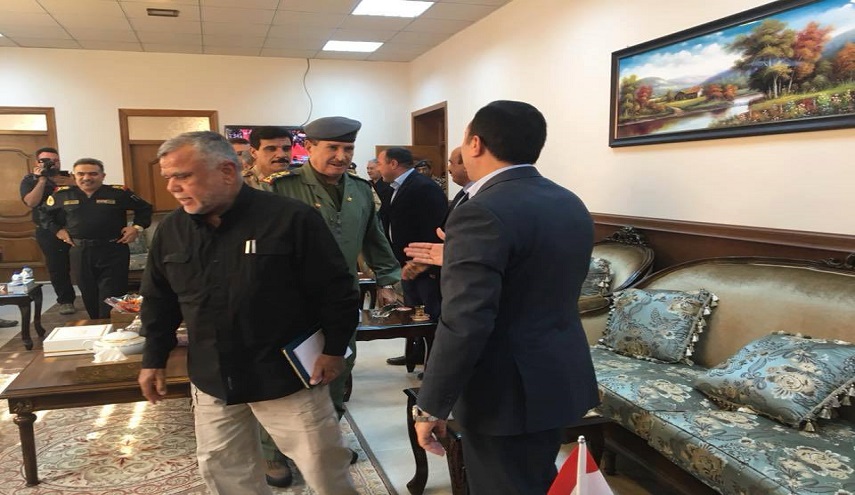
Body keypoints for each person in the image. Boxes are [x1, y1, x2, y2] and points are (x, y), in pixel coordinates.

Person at [138, 131, 359, 495]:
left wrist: (334, 350)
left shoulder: (291, 219)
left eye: (183, 176)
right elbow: (158, 299)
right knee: (224, 469)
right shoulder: (172, 230)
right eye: (168, 178)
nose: (173, 187)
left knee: (323, 467)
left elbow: (336, 291)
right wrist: (153, 358)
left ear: (227, 171)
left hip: (284, 375)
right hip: (213, 376)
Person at [413, 101, 599, 495]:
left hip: (506, 391)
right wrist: (459, 257)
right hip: (558, 374)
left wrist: (431, 404)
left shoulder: (481, 211)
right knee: (534, 478)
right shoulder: (569, 201)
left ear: (475, 144)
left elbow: (466, 320)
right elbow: (532, 273)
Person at [262, 116, 401, 486]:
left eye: (348, 148)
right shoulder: (281, 187)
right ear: (309, 147)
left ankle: (327, 443)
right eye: (333, 148)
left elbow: (374, 239)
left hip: (342, 300)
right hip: (290, 302)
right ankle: (273, 453)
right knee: (286, 375)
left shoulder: (360, 189)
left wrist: (389, 279)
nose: (341, 156)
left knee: (338, 370)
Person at [41, 158, 152, 319]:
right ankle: (97, 323)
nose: (87, 178)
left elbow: (145, 209)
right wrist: (57, 230)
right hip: (80, 250)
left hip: (113, 249)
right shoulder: (62, 194)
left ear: (102, 176)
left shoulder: (119, 193)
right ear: (73, 175)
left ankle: (113, 324)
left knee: (113, 294)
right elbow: (44, 214)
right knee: (88, 292)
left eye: (93, 174)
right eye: (81, 174)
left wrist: (136, 228)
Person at [376, 147, 447, 367]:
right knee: (411, 313)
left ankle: (432, 362)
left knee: (429, 314)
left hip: (424, 265)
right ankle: (414, 354)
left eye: (380, 163)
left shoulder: (424, 187)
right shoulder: (393, 188)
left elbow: (435, 227)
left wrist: (422, 261)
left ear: (393, 164)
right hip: (405, 262)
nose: (378, 168)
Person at [19, 147, 77, 315]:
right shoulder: (30, 180)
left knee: (85, 263)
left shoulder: (69, 177)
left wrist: (73, 183)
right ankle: (66, 301)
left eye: (55, 160)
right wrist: (42, 180)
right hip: (48, 230)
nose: (52, 164)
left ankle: (95, 296)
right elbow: (31, 202)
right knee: (57, 267)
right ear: (37, 162)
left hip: (75, 227)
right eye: (46, 161)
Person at [366, 158, 392, 234]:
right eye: (367, 168)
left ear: (380, 169)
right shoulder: (366, 185)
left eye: (371, 168)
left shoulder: (389, 185)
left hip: (385, 222)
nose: (368, 171)